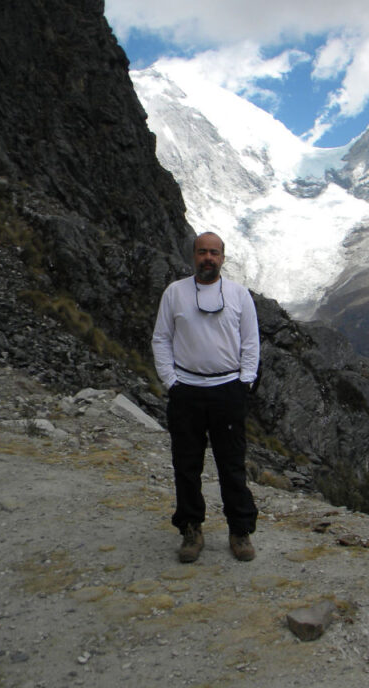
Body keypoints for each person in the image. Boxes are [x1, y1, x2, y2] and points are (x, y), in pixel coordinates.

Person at [151, 232, 260, 563]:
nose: (208, 258)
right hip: (186, 392)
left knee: (231, 466)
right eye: (202, 252)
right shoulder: (174, 293)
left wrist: (244, 383)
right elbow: (161, 339)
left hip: (227, 391)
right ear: (193, 256)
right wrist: (172, 381)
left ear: (223, 258)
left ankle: (240, 531)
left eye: (214, 252)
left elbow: (251, 342)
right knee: (186, 465)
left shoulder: (240, 295)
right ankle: (190, 528)